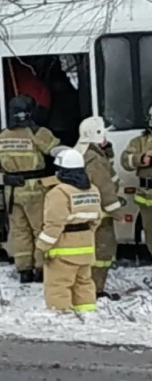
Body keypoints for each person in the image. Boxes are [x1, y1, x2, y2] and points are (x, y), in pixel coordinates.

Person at [0, 95, 65, 283]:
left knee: (19, 231)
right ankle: (41, 268)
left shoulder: (1, 135)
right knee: (39, 229)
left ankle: (24, 270)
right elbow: (58, 151)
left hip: (12, 191)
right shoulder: (37, 132)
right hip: (35, 189)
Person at [36, 149, 101, 313]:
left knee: (58, 285)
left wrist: (41, 247)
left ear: (62, 171)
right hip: (86, 246)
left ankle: (62, 316)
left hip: (63, 248)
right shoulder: (93, 189)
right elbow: (97, 219)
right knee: (84, 283)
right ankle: (87, 314)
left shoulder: (59, 193)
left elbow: (54, 225)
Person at [74, 116, 122, 301]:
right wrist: (116, 211)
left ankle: (89, 288)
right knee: (103, 251)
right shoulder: (93, 159)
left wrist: (107, 153)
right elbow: (105, 186)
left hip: (88, 212)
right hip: (100, 215)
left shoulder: (83, 151)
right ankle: (95, 289)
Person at [120, 104, 152, 258]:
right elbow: (125, 161)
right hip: (146, 198)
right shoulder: (139, 141)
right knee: (150, 236)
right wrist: (142, 158)